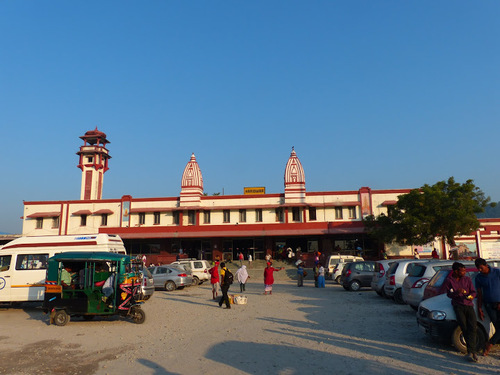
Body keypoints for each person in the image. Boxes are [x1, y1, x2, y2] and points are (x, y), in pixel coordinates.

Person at [442, 262, 478, 362]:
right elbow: (449, 294)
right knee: (464, 327)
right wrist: (457, 292)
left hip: (469, 305)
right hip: (458, 306)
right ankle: (470, 351)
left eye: (465, 270)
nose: (464, 272)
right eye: (462, 271)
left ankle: (472, 351)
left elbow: (473, 292)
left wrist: (470, 297)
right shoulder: (449, 280)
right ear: (456, 271)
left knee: (473, 327)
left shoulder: (467, 279)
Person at [475, 257, 500, 356]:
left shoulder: (497, 272)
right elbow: (480, 293)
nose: (480, 270)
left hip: (499, 303)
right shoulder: (479, 277)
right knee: (497, 327)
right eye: (478, 268)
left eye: (481, 268)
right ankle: (490, 344)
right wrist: (479, 308)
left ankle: (489, 344)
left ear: (486, 265)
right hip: (489, 305)